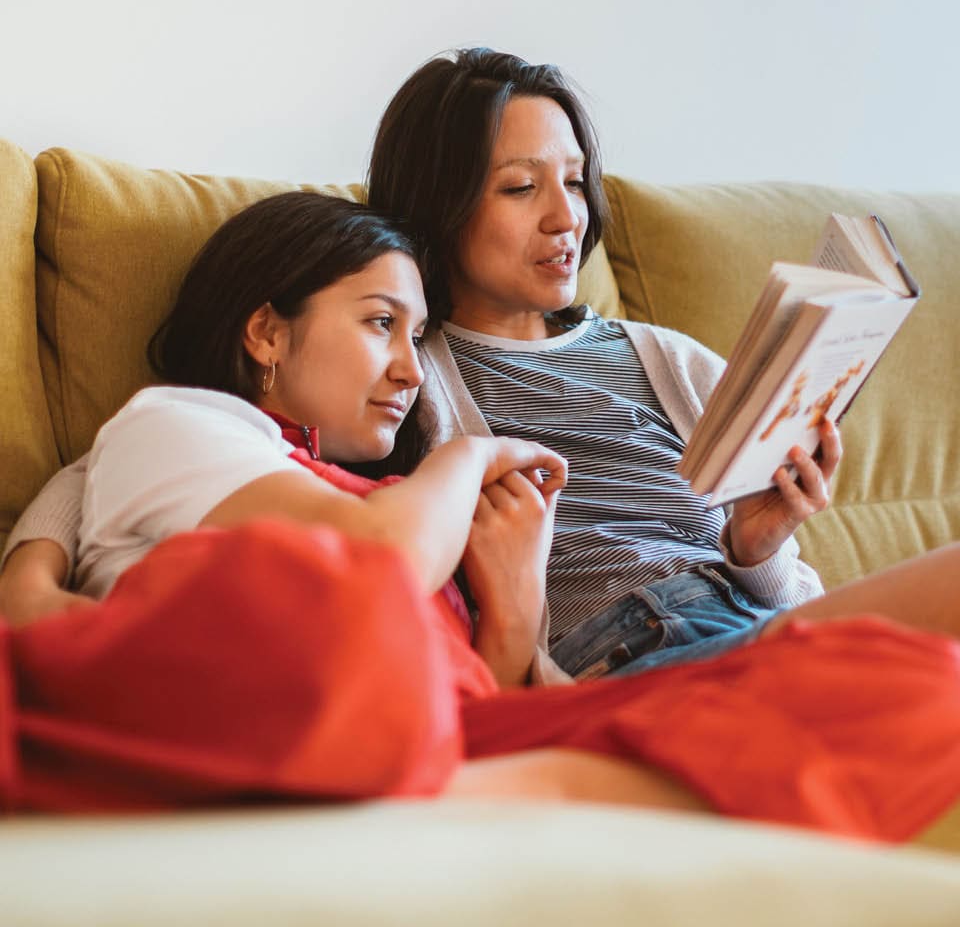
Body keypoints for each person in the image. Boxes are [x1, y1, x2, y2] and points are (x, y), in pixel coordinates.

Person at [1, 189, 960, 842]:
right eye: (382, 325)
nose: (413, 369)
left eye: (417, 336)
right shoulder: (182, 422)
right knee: (897, 694)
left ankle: (525, 800)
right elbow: (371, 574)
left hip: (463, 738)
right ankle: (516, 804)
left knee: (914, 687)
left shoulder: (374, 494)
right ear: (265, 330)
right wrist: (470, 454)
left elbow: (473, 695)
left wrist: (507, 608)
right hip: (360, 723)